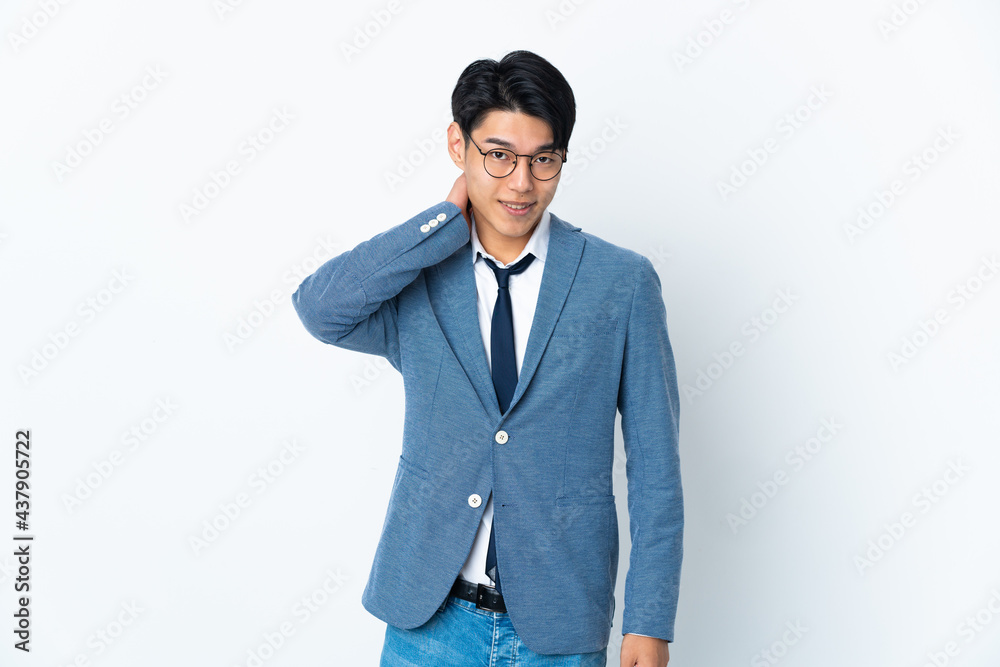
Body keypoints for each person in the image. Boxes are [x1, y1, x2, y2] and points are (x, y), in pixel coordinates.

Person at [292, 50, 682, 667]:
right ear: (459, 145)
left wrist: (649, 621)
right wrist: (441, 220)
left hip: (560, 629)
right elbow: (320, 308)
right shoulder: (419, 281)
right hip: (428, 623)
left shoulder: (621, 283)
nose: (521, 183)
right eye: (499, 155)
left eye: (543, 160)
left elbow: (655, 469)